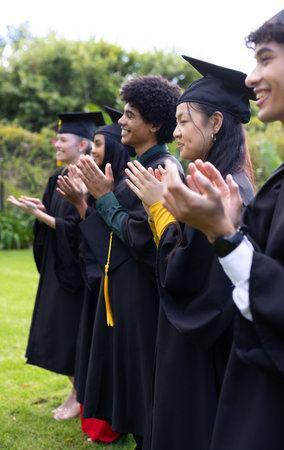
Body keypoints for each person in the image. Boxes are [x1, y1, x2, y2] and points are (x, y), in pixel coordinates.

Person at [158, 2, 284, 448]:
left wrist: (221, 234)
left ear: (216, 123)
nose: (251, 77)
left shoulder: (245, 186)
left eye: (265, 59)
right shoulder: (283, 180)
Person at [125, 56, 255, 450]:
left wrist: (158, 209)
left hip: (203, 354)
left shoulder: (226, 192)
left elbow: (187, 278)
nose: (176, 132)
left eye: (184, 120)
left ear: (215, 123)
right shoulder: (224, 180)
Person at [75, 76, 183, 450]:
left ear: (154, 124)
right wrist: (89, 201)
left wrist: (104, 198)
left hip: (143, 298)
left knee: (145, 384)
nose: (121, 120)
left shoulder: (161, 168)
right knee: (133, 384)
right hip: (125, 295)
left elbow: (141, 238)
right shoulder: (140, 165)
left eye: (129, 114)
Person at [7, 111, 104, 421]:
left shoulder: (92, 181)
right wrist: (40, 209)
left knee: (72, 332)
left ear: (84, 145)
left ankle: (79, 395)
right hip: (57, 264)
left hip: (78, 269)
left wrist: (41, 216)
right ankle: (74, 391)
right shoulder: (56, 178)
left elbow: (80, 227)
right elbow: (58, 219)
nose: (56, 144)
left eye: (62, 140)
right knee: (58, 329)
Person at [56, 106, 131, 443]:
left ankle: (108, 424)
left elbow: (118, 241)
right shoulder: (108, 185)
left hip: (114, 283)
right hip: (97, 279)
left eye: (99, 144)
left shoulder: (126, 187)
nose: (94, 150)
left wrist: (87, 203)